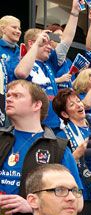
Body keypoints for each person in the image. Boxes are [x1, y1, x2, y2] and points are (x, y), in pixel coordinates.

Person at [0, 80, 83, 215]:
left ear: (36, 105)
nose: (9, 99)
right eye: (8, 95)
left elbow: (77, 203)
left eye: (17, 96)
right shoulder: (2, 139)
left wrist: (33, 206)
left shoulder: (57, 148)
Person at [13, 2, 81, 130]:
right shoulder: (21, 62)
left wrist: (74, 12)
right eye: (45, 42)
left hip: (55, 125)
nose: (50, 46)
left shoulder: (50, 62)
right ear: (32, 43)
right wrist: (38, 43)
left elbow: (66, 42)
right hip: (33, 127)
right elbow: (21, 73)